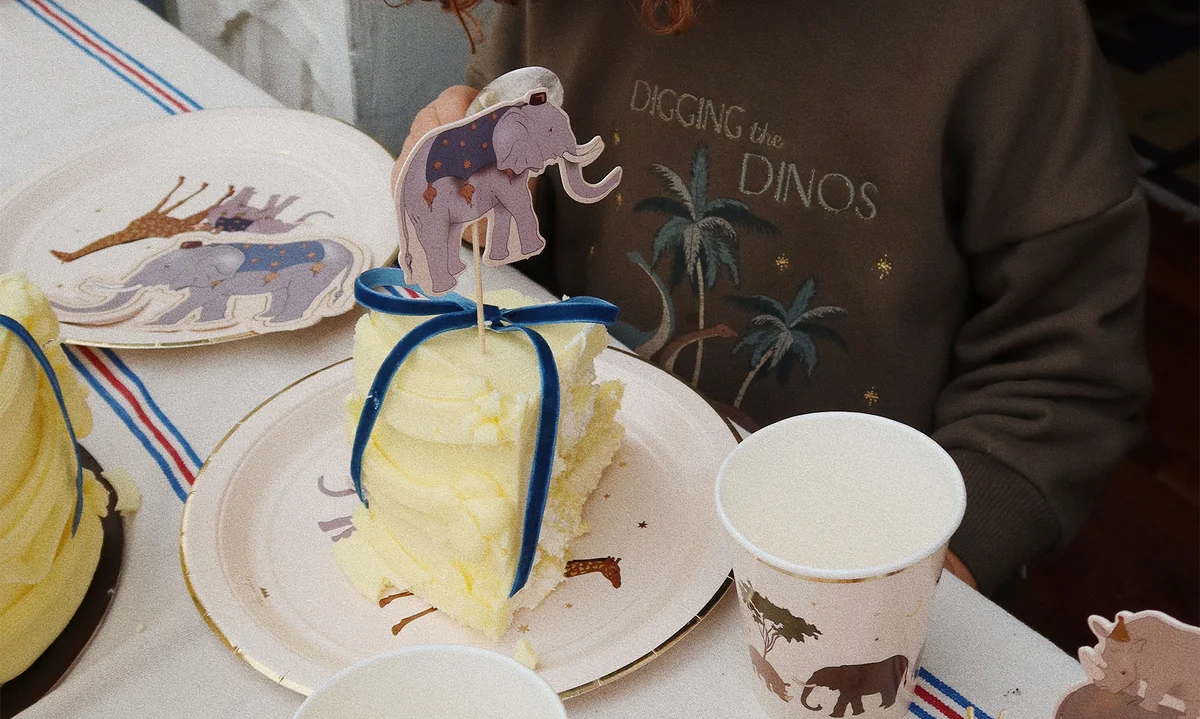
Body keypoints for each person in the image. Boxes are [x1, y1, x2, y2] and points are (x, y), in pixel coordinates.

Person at [396, 0, 1150, 597]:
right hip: (584, 515)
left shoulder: (1009, 26)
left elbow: (1067, 359)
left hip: (858, 561)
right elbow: (508, 226)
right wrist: (462, 204)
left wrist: (952, 549)